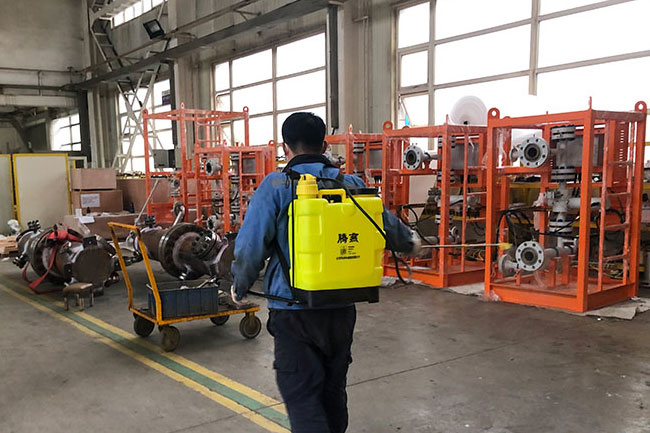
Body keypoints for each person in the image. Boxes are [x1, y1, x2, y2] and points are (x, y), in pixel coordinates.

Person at [230, 112, 419, 433]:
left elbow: (250, 247)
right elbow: (385, 225)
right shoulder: (351, 184)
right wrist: (410, 242)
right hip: (341, 309)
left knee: (303, 397)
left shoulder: (275, 185)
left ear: (285, 147)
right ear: (324, 145)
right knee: (332, 393)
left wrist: (240, 284)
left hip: (294, 312)